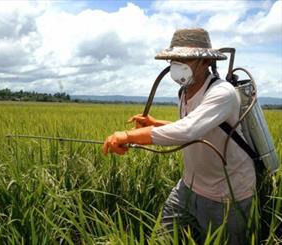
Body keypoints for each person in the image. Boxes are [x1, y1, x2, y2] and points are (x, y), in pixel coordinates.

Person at [103, 28, 256, 244]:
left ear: (205, 62)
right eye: (175, 58)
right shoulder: (185, 90)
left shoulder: (222, 93)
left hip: (226, 194)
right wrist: (156, 124)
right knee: (162, 238)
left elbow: (188, 130)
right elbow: (193, 126)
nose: (177, 64)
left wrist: (128, 135)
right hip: (189, 186)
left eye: (186, 58)